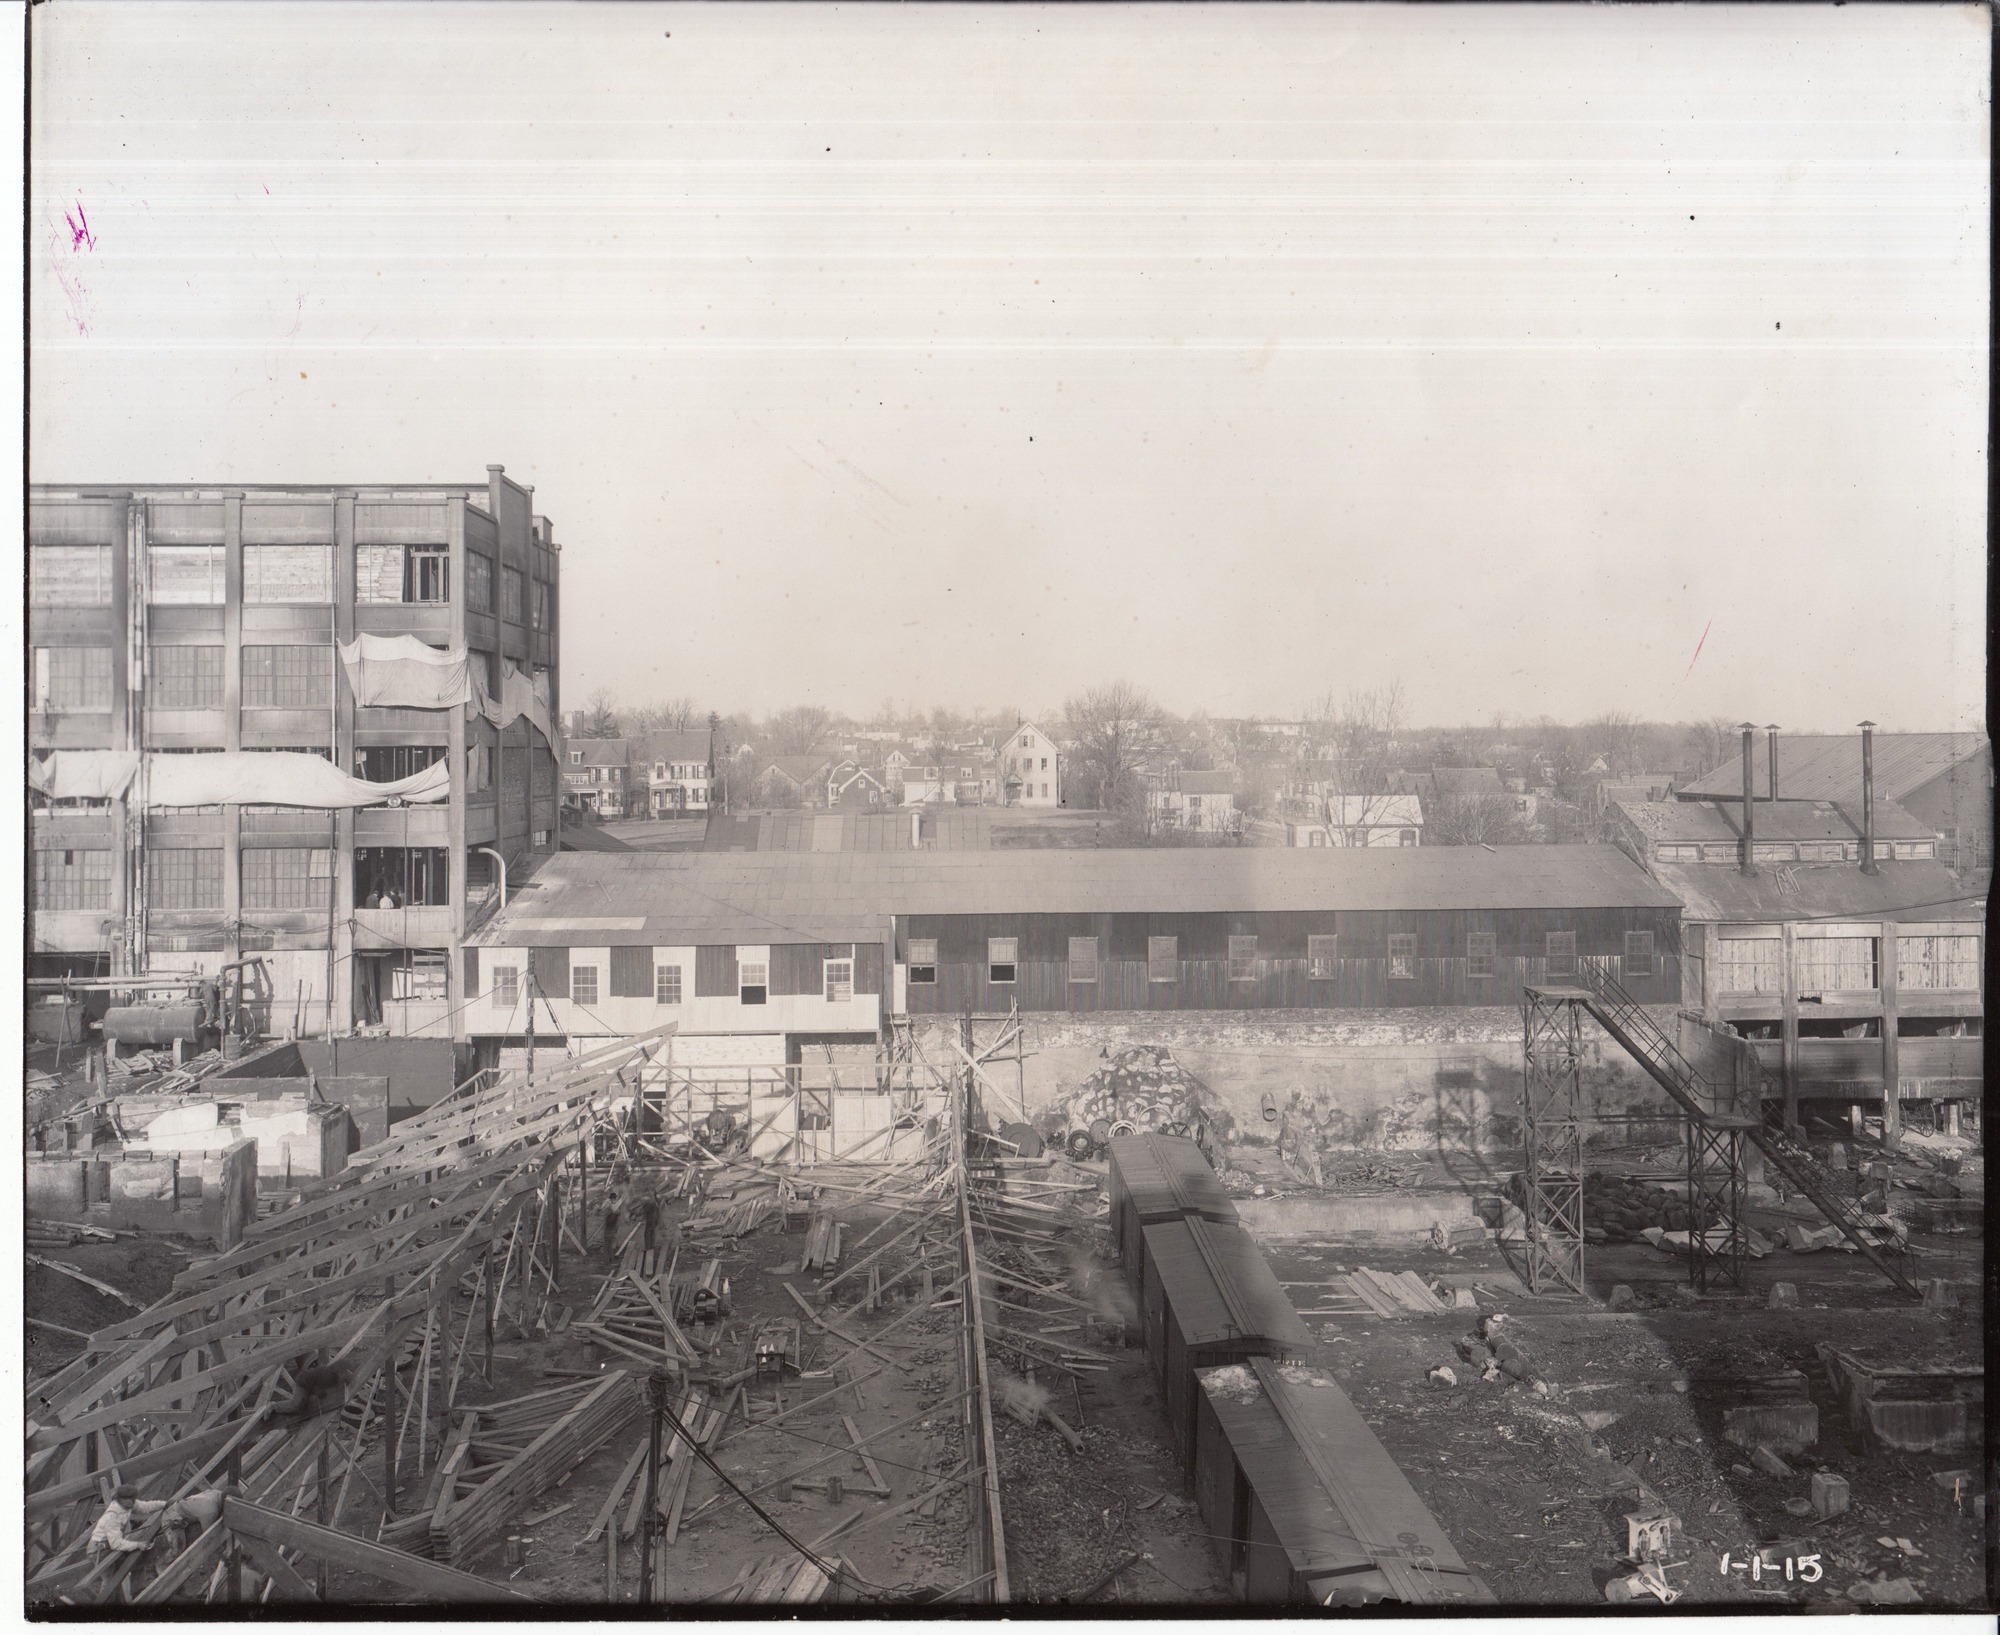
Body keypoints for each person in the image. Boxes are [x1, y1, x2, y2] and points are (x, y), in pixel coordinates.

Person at [89, 1486, 170, 1557]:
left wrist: (165, 1504)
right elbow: (116, 1543)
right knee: (115, 1573)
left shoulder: (130, 1504)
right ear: (119, 1499)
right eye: (125, 1499)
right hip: (98, 1551)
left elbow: (146, 1506)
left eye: (131, 1498)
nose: (129, 1501)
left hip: (110, 1544)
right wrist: (138, 1545)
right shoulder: (113, 1516)